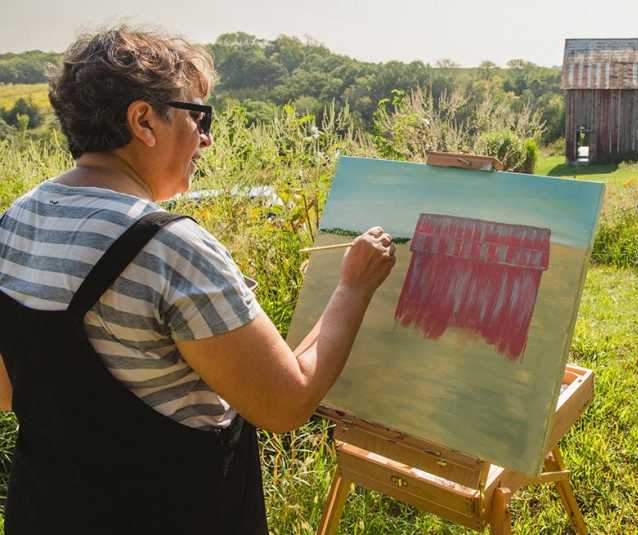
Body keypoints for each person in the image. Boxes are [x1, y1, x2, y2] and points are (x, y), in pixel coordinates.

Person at [0, 26, 395, 534]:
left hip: (47, 511)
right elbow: (284, 402)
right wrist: (354, 287)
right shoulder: (168, 247)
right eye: (198, 116)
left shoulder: (17, 219)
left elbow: (9, 391)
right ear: (143, 120)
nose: (206, 138)